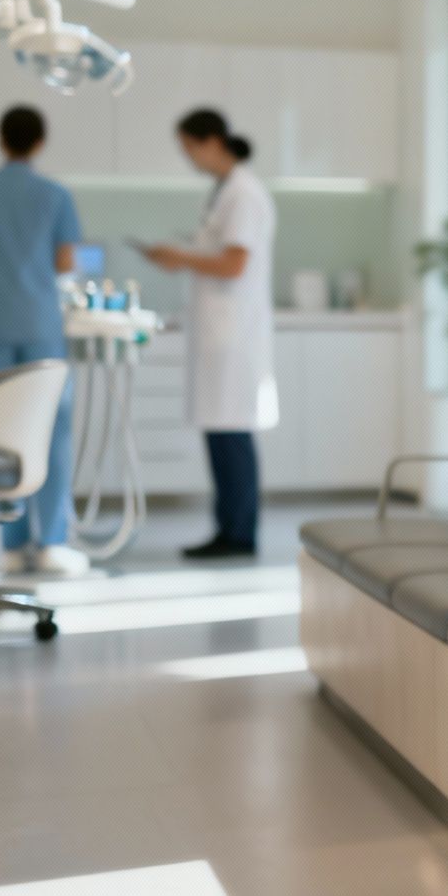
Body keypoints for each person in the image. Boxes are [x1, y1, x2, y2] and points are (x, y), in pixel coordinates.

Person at [0, 104, 87, 576]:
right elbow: (66, 261)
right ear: (40, 142)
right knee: (50, 429)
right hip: (41, 322)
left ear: (0, 139)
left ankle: (7, 544)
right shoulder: (55, 194)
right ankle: (49, 543)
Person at [140, 109, 277, 561]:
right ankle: (229, 528)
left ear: (211, 140)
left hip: (234, 334)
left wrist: (181, 257)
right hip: (222, 331)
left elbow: (234, 263)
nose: (188, 158)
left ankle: (239, 533)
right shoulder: (224, 192)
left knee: (231, 434)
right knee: (222, 434)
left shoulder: (243, 194)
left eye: (189, 148)